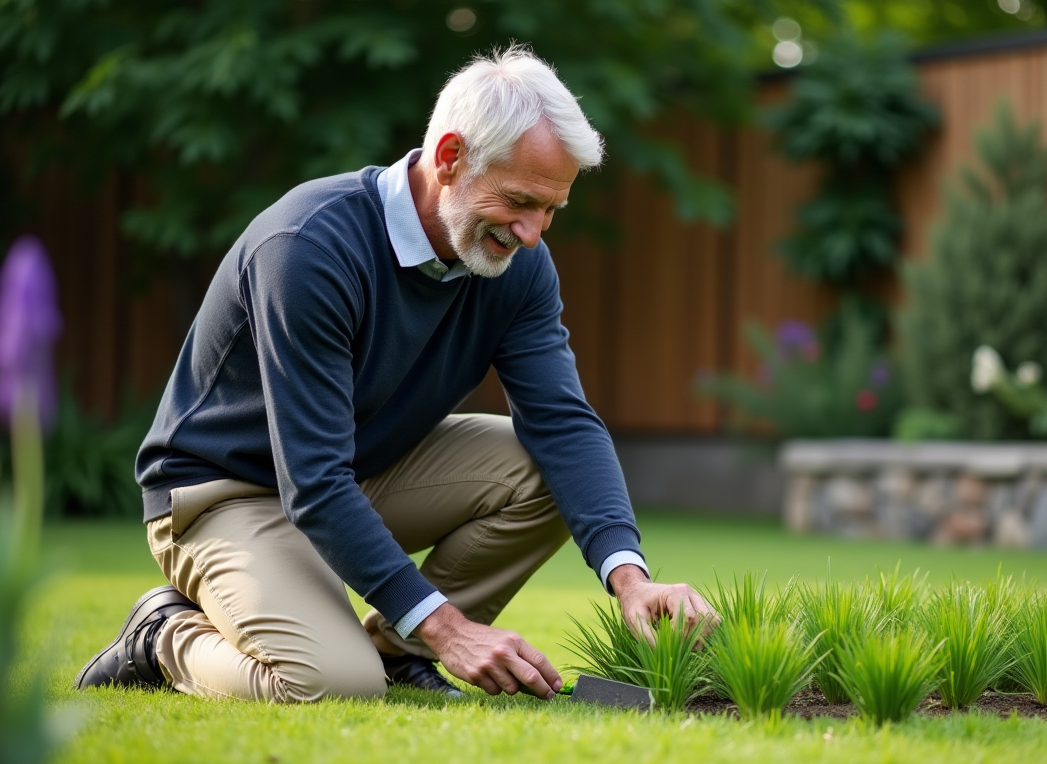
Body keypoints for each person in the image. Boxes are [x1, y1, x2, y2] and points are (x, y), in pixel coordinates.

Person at [75, 46, 717, 703]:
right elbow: (314, 478)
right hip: (224, 493)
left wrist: (630, 579)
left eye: (552, 209)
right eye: (520, 201)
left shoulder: (517, 266)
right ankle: (161, 636)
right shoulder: (309, 248)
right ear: (450, 157)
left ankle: (397, 654)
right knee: (331, 683)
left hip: (354, 471)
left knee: (544, 469)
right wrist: (450, 627)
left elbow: (564, 424)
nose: (532, 233)